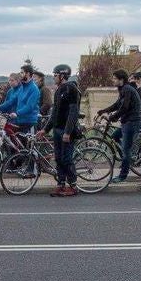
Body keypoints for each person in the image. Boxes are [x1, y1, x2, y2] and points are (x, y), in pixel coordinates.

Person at [96, 69, 141, 183]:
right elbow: (117, 105)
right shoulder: (123, 89)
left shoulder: (127, 89)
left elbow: (124, 107)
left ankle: (123, 175)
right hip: (127, 121)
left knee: (126, 149)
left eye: (114, 78)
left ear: (121, 80)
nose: (113, 80)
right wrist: (103, 111)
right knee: (114, 136)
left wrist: (112, 118)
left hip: (132, 122)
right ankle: (126, 159)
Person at [46, 64, 80, 197]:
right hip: (57, 129)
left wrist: (68, 131)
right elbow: (54, 113)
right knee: (59, 158)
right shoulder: (59, 89)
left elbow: (73, 112)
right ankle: (61, 184)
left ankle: (73, 185)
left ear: (62, 76)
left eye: (55, 75)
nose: (54, 77)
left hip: (66, 131)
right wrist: (45, 129)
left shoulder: (71, 89)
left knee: (66, 159)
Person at [0, 65, 41, 141]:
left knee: (25, 149)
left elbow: (30, 107)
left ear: (28, 74)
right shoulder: (22, 88)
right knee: (14, 147)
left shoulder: (34, 89)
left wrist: (17, 113)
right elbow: (11, 102)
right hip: (19, 121)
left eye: (22, 73)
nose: (20, 75)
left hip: (29, 122)